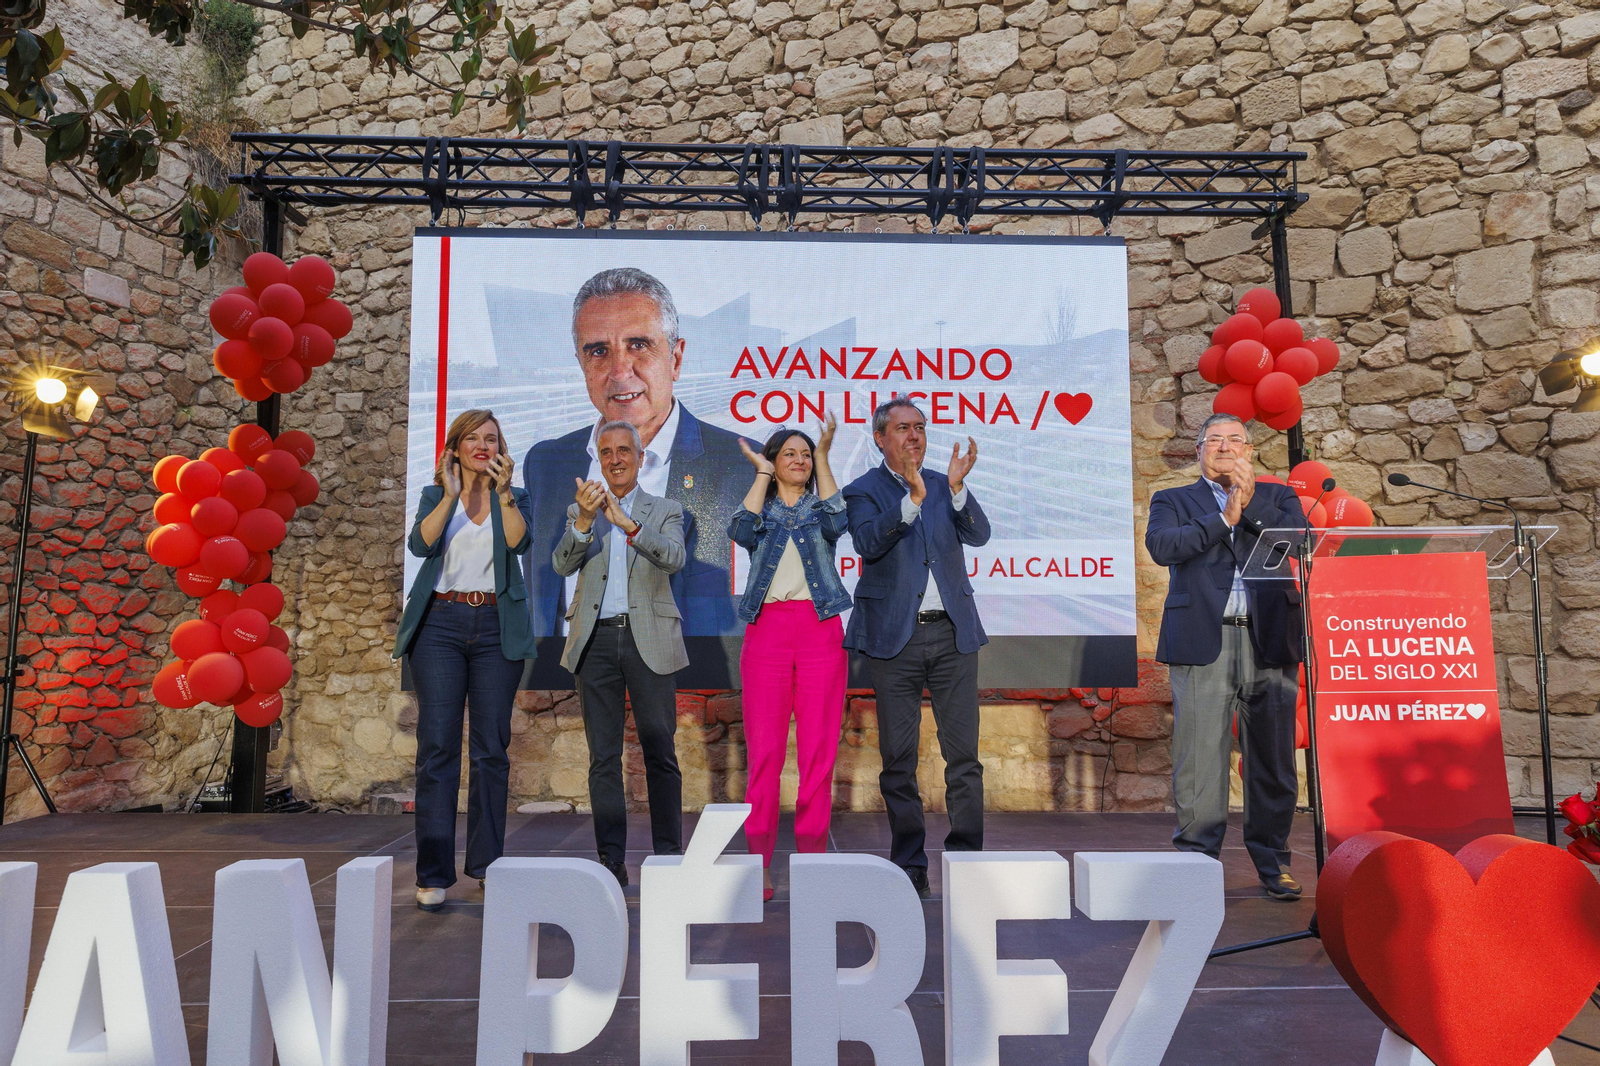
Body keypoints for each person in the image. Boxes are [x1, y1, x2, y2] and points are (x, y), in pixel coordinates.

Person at [525, 267, 748, 646]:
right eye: (598, 351)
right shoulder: (547, 463)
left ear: (676, 359)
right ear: (581, 364)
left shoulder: (743, 462)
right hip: (572, 683)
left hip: (689, 684)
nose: (619, 370)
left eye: (639, 345)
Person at [1144, 412, 1308, 901]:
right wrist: (1223, 519)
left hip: (1269, 640)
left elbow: (1299, 542)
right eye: (1213, 439)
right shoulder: (1172, 500)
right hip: (1202, 640)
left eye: (1235, 439)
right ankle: (1197, 864)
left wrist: (1249, 503)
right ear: (1198, 452)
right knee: (1199, 760)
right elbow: (1162, 546)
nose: (1224, 446)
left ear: (1250, 451)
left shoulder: (1278, 497)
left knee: (1274, 761)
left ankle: (1273, 862)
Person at [843, 398, 989, 899]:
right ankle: (910, 861)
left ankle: (968, 858)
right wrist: (910, 501)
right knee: (898, 758)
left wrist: (956, 489)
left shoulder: (945, 481)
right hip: (894, 639)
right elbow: (867, 543)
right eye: (903, 428)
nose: (914, 436)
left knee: (963, 756)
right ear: (880, 438)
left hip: (953, 634)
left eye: (920, 428)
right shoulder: (863, 490)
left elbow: (981, 534)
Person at [394, 409, 535, 912]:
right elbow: (419, 544)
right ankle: (433, 873)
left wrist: (502, 495)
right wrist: (452, 495)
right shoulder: (437, 497)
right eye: (472, 438)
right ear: (455, 447)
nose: (482, 445)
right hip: (441, 626)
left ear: (501, 448)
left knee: (491, 750)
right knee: (437, 749)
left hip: (496, 626)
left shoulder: (512, 497)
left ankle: (487, 865)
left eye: (491, 438)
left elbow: (521, 542)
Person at [552, 420, 689, 887]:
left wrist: (628, 525)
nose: (615, 459)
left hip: (648, 637)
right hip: (596, 641)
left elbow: (673, 558)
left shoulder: (665, 509)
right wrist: (586, 523)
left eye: (624, 450)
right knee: (603, 757)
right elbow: (561, 564)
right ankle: (611, 859)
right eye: (606, 451)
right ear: (599, 457)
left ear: (640, 456)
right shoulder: (580, 508)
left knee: (660, 748)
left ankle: (668, 855)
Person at [728, 415, 850, 901]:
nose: (799, 461)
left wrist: (823, 453)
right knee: (765, 753)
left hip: (820, 631)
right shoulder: (762, 511)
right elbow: (740, 529)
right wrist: (760, 474)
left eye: (805, 454)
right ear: (775, 465)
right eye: (790, 455)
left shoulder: (822, 511)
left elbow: (842, 519)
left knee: (818, 751)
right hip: (769, 633)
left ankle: (812, 861)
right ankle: (758, 863)